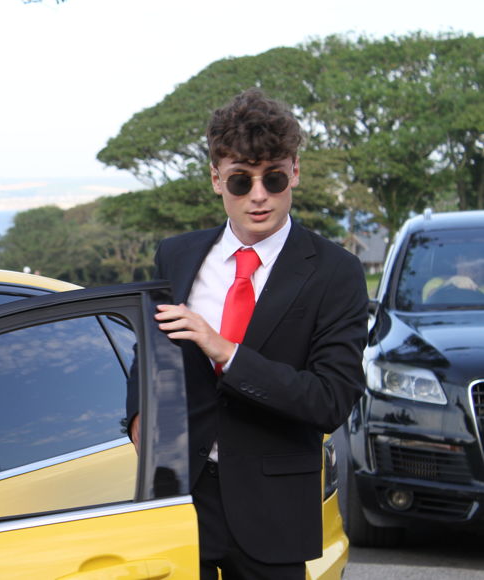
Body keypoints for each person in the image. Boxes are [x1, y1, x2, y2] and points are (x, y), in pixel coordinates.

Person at [127, 88, 368, 580]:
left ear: (295, 171)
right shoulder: (176, 255)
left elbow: (331, 400)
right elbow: (148, 353)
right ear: (217, 179)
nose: (259, 195)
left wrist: (228, 353)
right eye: (241, 180)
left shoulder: (335, 271)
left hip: (272, 512)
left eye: (273, 178)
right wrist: (137, 418)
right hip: (181, 499)